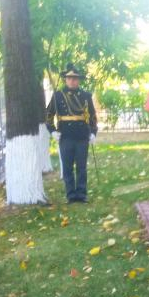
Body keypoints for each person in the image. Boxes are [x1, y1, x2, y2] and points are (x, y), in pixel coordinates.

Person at [46, 64, 98, 203]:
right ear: (65, 80)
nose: (72, 81)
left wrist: (93, 132)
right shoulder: (58, 96)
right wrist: (52, 131)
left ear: (78, 80)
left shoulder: (86, 96)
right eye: (69, 78)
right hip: (65, 135)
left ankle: (81, 194)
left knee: (81, 166)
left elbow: (92, 116)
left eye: (75, 78)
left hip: (82, 135)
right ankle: (70, 195)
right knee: (67, 167)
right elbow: (48, 115)